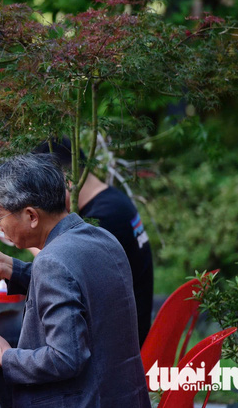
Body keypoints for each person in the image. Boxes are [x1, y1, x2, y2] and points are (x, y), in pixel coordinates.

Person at [0, 154, 151, 408]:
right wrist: (9, 267)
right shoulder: (103, 239)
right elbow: (77, 286)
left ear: (31, 215)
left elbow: (65, 357)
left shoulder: (52, 262)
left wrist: (6, 355)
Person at [34, 137, 154, 344]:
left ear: (65, 179)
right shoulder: (113, 201)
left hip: (116, 345)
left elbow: (59, 276)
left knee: (9, 334)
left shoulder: (103, 219)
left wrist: (29, 236)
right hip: (123, 330)